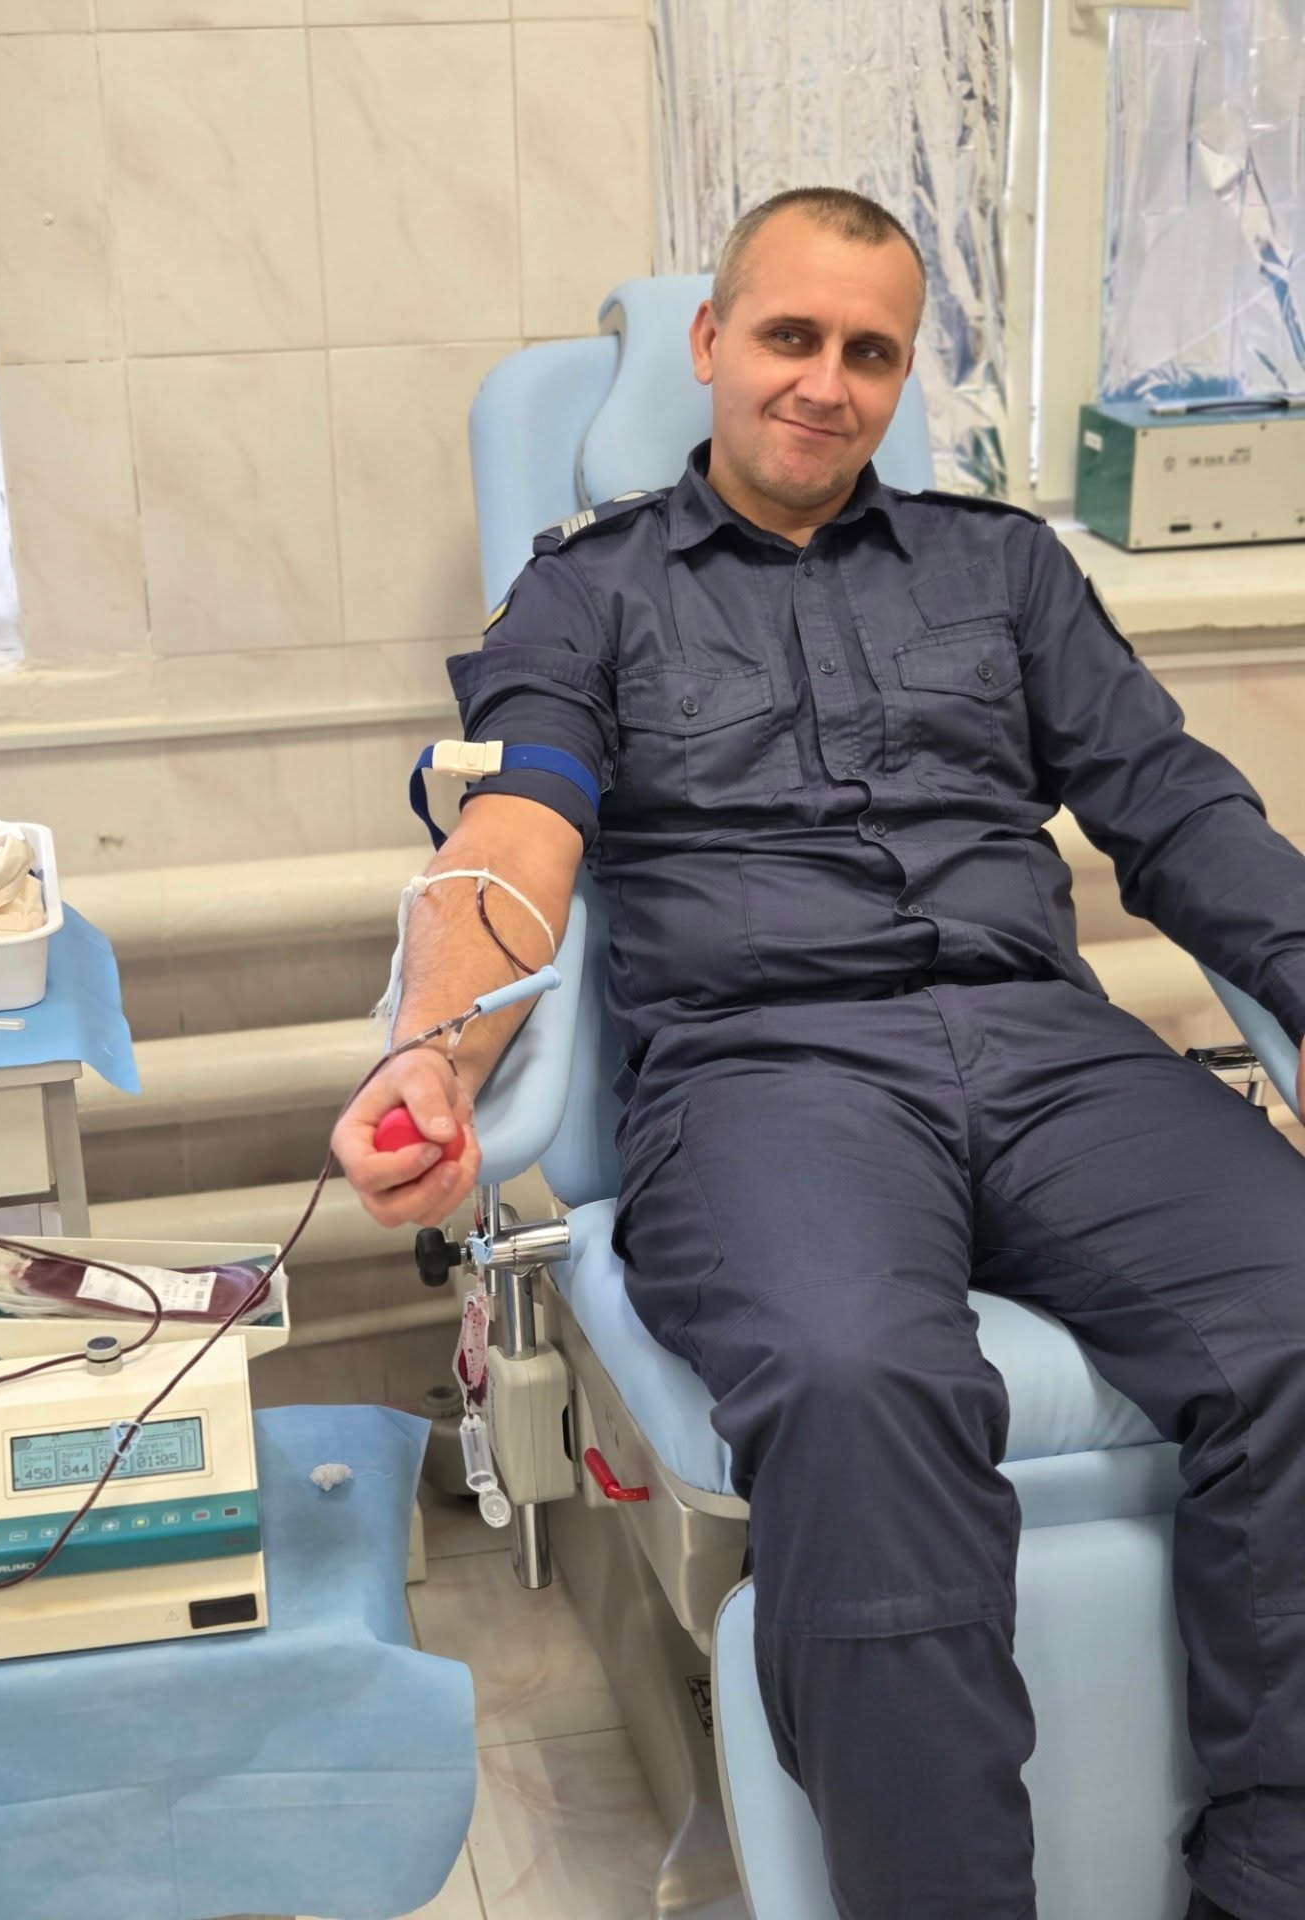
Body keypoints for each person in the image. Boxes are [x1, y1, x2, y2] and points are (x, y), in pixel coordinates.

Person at [334, 187, 1305, 1920]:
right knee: (864, 1387)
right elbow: (514, 837)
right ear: (712, 344)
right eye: (791, 336)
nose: (826, 382)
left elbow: (1173, 808)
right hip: (768, 1077)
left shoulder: (1005, 570)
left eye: (871, 351)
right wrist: (435, 1055)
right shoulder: (590, 591)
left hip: (1049, 1053)